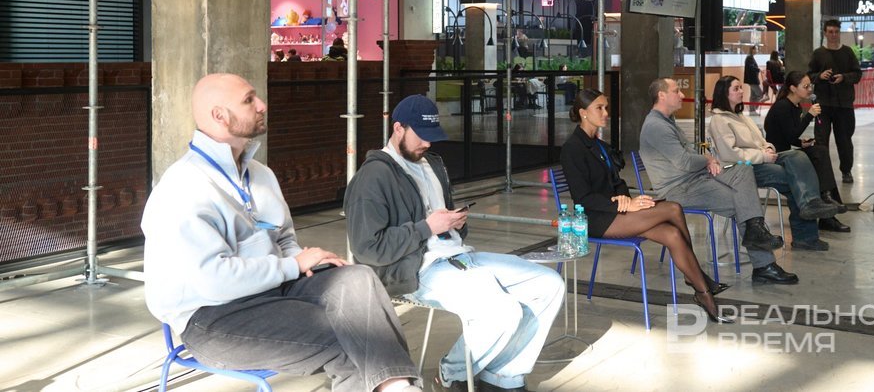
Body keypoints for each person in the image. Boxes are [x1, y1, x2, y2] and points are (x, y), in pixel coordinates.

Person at [141, 73, 421, 392]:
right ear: (219, 115)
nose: (262, 105)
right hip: (213, 318)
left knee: (357, 278)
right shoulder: (183, 188)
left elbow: (284, 238)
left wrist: (302, 262)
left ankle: (397, 386)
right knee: (350, 339)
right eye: (248, 100)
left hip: (274, 291)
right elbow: (214, 281)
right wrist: (293, 265)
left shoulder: (260, 174)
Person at [344, 95, 565, 392]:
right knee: (502, 311)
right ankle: (451, 374)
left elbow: (440, 223)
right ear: (398, 128)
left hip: (458, 257)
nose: (427, 143)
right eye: (421, 136)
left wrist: (454, 222)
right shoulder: (372, 177)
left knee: (548, 284)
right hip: (414, 270)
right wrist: (427, 227)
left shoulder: (432, 164)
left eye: (432, 136)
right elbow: (367, 248)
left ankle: (503, 376)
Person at [561, 89, 731, 322]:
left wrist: (626, 200)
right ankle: (700, 284)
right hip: (596, 219)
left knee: (672, 234)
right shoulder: (573, 148)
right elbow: (582, 198)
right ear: (583, 113)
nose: (606, 113)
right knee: (672, 208)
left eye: (606, 107)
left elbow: (618, 183)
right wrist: (623, 205)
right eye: (599, 108)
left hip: (617, 212)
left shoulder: (599, 145)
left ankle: (699, 287)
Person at [639, 78, 797, 285]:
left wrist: (707, 160)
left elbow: (689, 156)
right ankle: (764, 265)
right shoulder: (656, 126)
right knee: (743, 203)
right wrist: (707, 159)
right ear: (661, 95)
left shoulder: (667, 121)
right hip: (679, 188)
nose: (681, 95)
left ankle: (757, 235)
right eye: (676, 91)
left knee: (742, 169)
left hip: (696, 177)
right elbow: (685, 162)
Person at [708, 76, 840, 251]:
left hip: (759, 160)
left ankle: (812, 204)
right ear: (724, 93)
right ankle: (806, 234)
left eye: (741, 87)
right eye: (736, 88)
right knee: (795, 180)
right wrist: (762, 156)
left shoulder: (740, 116)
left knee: (798, 157)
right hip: (741, 169)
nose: (741, 91)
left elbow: (761, 140)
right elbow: (730, 153)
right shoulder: (719, 120)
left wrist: (768, 148)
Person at [764, 71, 851, 233]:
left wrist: (801, 143)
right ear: (793, 88)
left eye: (810, 85)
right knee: (819, 154)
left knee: (820, 153)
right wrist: (809, 115)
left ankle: (827, 205)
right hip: (778, 155)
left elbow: (790, 136)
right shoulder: (783, 106)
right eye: (805, 86)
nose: (810, 89)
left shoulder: (795, 106)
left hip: (788, 152)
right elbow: (789, 135)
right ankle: (827, 203)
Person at [808, 19, 862, 183]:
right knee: (821, 140)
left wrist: (844, 77)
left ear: (839, 33)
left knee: (844, 140)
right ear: (825, 33)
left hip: (844, 104)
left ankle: (846, 171)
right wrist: (820, 76)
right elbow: (809, 75)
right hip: (823, 104)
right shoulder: (818, 53)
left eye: (836, 32)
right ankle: (821, 172)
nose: (833, 35)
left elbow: (857, 74)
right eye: (830, 32)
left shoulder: (848, 52)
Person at [743, 46, 762, 114]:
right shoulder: (750, 58)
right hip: (752, 80)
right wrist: (758, 69)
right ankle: (753, 108)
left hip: (752, 80)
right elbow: (751, 68)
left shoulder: (750, 57)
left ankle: (752, 110)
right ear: (753, 50)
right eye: (756, 49)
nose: (757, 50)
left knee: (753, 96)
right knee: (760, 94)